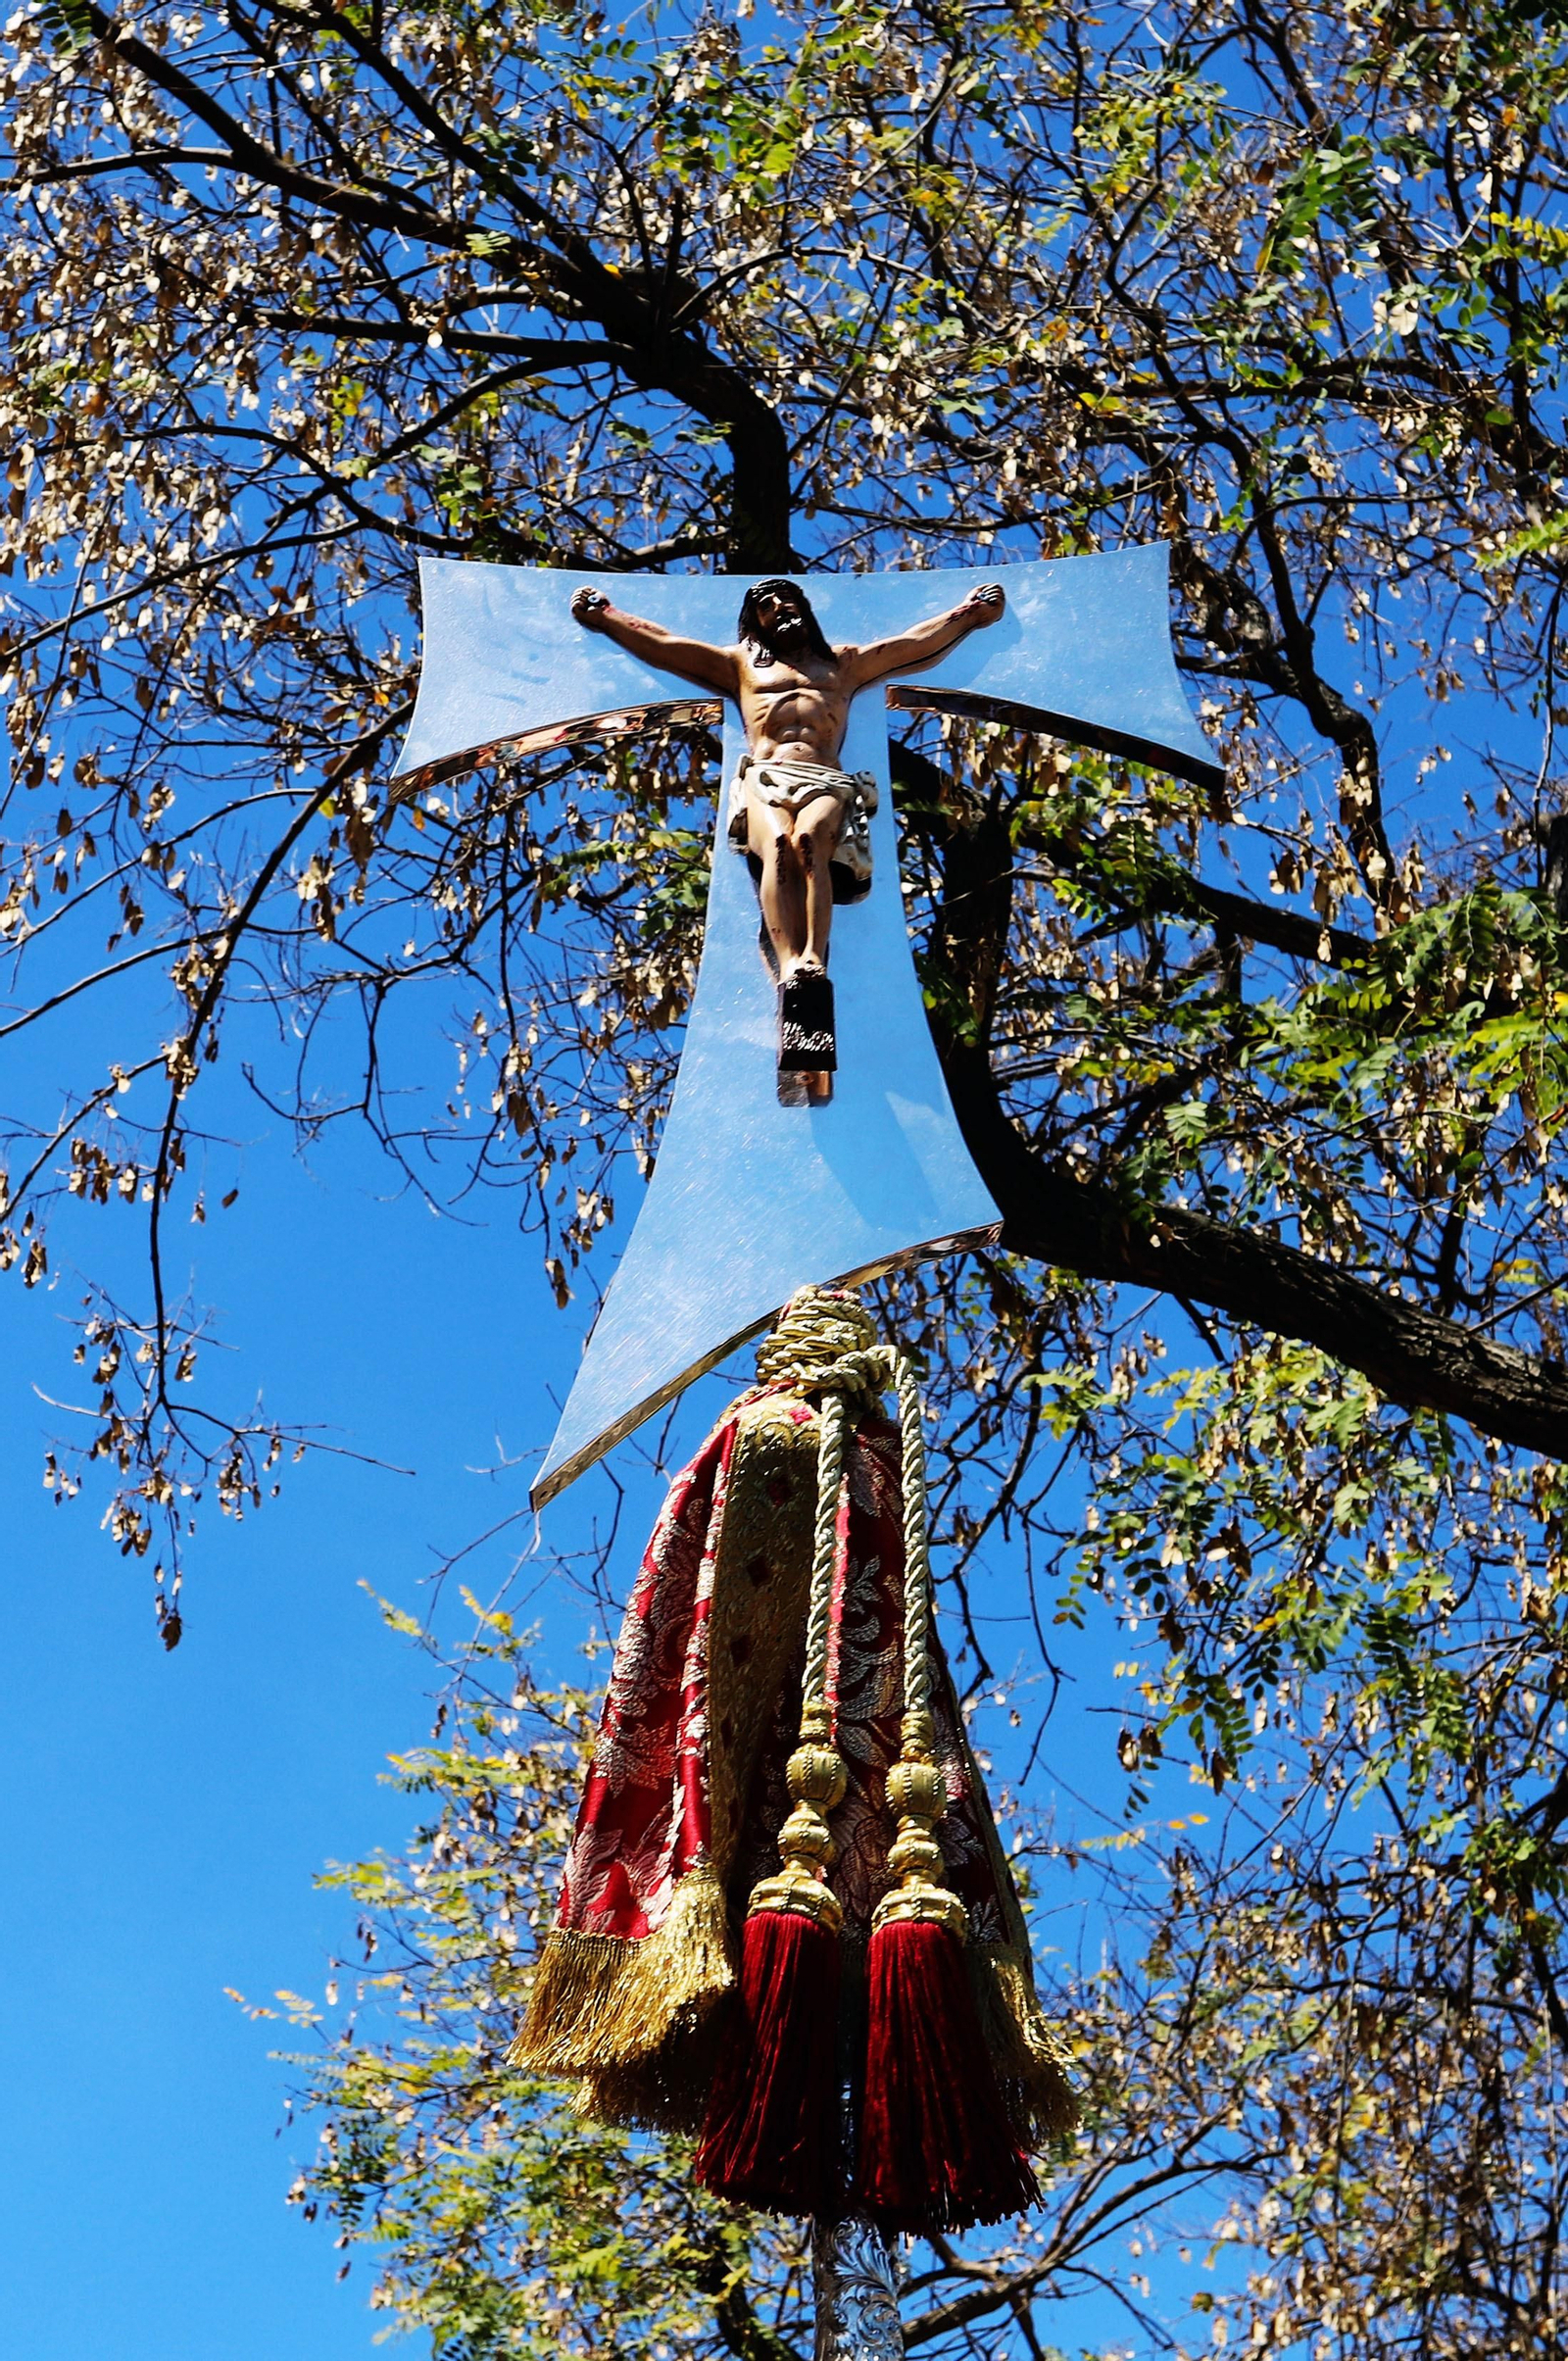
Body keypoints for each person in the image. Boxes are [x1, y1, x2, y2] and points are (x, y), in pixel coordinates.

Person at [570, 575, 1005, 986]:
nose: (780, 608)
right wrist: (606, 614)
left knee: (811, 842)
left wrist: (969, 613)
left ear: (805, 610)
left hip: (825, 776)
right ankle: (790, 962)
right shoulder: (739, 666)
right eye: (766, 606)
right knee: (778, 846)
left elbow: (913, 645)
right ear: (755, 623)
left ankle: (813, 957)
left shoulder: (843, 665)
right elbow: (665, 645)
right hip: (767, 775)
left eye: (787, 600)